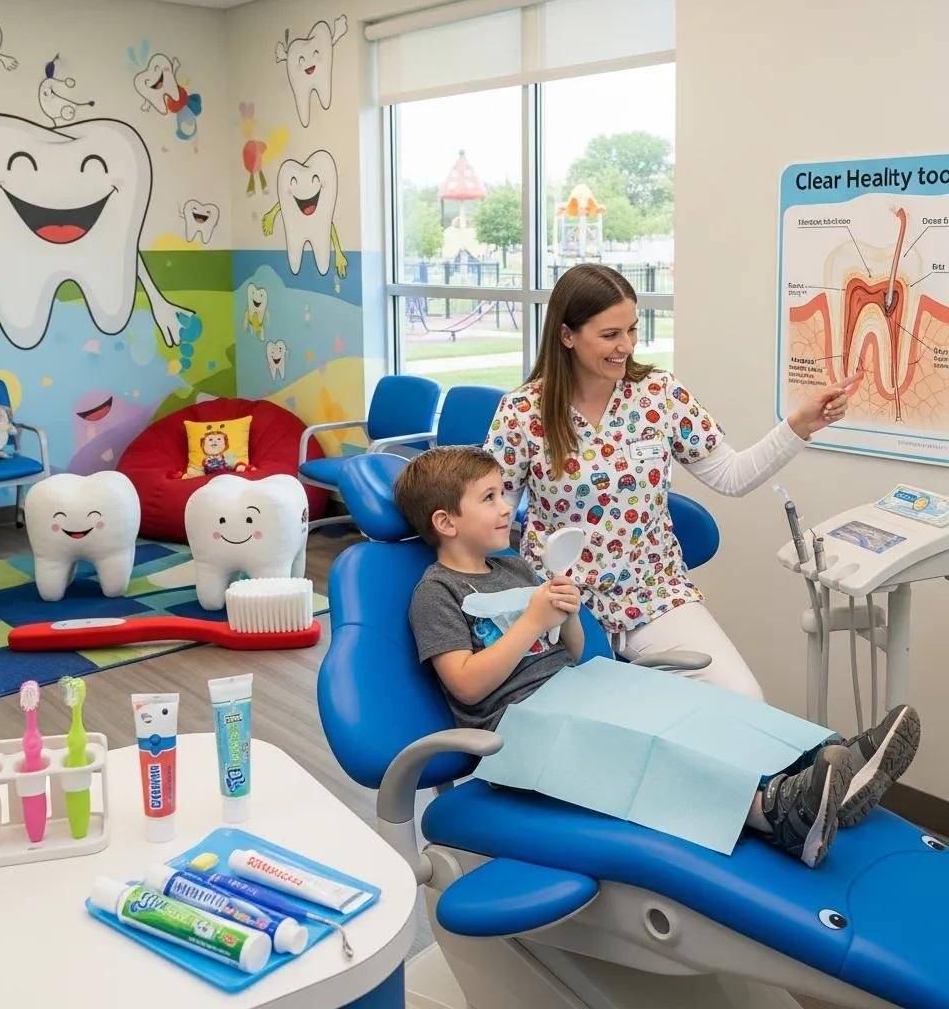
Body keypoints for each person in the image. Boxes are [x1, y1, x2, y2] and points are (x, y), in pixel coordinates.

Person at [394, 445, 920, 867]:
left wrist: (565, 614)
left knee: (697, 706)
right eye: (489, 498)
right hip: (518, 724)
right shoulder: (436, 592)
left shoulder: (513, 569)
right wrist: (531, 620)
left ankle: (828, 762)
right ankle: (778, 816)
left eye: (503, 493)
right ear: (446, 521)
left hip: (575, 685)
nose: (508, 506)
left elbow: (571, 652)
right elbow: (465, 685)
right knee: (653, 747)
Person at [483, 263, 865, 701]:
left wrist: (798, 425)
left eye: (632, 329)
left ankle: (801, 771)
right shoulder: (522, 412)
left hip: (653, 591)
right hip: (560, 600)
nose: (625, 346)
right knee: (587, 723)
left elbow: (731, 475)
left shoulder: (659, 395)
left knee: (742, 698)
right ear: (567, 335)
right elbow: (492, 515)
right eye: (610, 335)